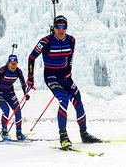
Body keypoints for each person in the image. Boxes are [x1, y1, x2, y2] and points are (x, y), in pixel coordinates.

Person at [27, 15, 102, 148]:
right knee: (63, 99)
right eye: (58, 27)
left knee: (77, 98)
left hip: (65, 76)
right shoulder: (45, 41)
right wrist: (30, 78)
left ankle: (84, 134)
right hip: (51, 77)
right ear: (53, 28)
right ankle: (63, 136)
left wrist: (69, 70)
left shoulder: (71, 40)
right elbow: (31, 57)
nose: (61, 30)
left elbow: (71, 57)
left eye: (64, 27)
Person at [0, 55, 29, 141]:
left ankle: (19, 133)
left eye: (15, 64)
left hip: (10, 93)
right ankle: (4, 132)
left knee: (18, 110)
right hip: (0, 94)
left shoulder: (18, 71)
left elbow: (23, 83)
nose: (13, 66)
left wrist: (26, 94)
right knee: (6, 110)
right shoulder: (2, 70)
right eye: (11, 64)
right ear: (8, 63)